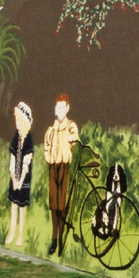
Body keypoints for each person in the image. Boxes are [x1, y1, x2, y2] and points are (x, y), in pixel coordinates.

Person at [43, 93, 78, 256]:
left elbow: (74, 139)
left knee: (62, 204)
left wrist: (65, 140)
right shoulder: (51, 129)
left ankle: (62, 238)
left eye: (63, 107)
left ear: (67, 108)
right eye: (58, 107)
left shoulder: (70, 126)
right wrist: (49, 157)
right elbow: (47, 145)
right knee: (54, 203)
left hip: (64, 165)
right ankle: (54, 238)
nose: (60, 109)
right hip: (53, 166)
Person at [6, 102, 34, 246]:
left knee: (22, 207)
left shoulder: (28, 140)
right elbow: (12, 159)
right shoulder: (16, 137)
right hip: (15, 177)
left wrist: (20, 181)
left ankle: (20, 235)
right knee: (14, 205)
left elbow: (26, 164)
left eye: (18, 119)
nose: (16, 122)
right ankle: (11, 232)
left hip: (23, 178)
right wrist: (13, 178)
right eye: (15, 119)